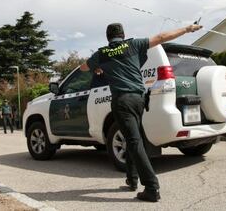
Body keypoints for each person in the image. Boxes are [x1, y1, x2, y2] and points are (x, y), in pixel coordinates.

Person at [80, 23, 202, 202]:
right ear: (123, 35)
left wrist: (96, 67)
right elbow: (161, 38)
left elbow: (83, 67)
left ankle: (152, 187)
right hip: (139, 99)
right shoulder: (133, 45)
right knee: (132, 137)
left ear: (108, 38)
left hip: (122, 101)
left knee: (133, 140)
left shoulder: (101, 55)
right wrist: (187, 29)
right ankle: (132, 179)